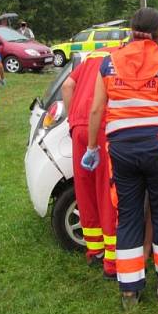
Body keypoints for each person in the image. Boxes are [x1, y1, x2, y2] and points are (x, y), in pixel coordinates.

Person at [82, 7, 158, 310]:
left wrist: (92, 148)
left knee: (127, 215)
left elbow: (95, 110)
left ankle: (129, 291)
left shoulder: (108, 64)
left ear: (130, 30)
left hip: (121, 147)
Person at [62, 46, 119, 280]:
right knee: (107, 192)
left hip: (79, 126)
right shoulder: (121, 57)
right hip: (102, 123)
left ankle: (94, 249)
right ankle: (112, 259)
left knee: (85, 190)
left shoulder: (92, 55)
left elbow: (67, 86)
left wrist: (72, 118)